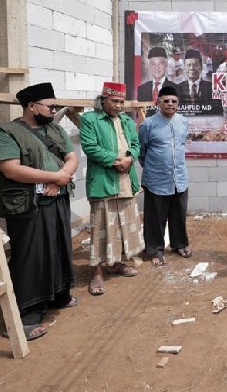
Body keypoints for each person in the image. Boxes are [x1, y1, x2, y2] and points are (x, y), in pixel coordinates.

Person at [0, 82, 79, 341]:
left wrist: (59, 178)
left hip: (57, 199)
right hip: (29, 206)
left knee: (59, 250)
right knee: (31, 257)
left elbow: (71, 157)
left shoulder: (54, 128)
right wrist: (55, 176)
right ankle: (26, 316)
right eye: (50, 106)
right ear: (31, 106)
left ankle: (58, 296)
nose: (54, 110)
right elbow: (10, 169)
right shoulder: (5, 133)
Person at [79, 82, 144, 296]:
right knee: (102, 226)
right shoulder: (90, 119)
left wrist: (130, 158)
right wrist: (117, 161)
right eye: (114, 101)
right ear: (103, 99)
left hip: (126, 179)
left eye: (121, 101)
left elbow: (135, 144)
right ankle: (97, 272)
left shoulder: (126, 120)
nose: (117, 105)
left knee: (122, 225)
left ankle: (116, 264)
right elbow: (90, 147)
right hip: (103, 180)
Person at [138, 86, 193, 266]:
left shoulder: (183, 122)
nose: (170, 104)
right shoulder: (148, 124)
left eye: (174, 101)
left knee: (178, 214)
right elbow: (141, 152)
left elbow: (181, 145)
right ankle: (155, 250)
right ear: (158, 103)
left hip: (179, 179)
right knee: (155, 218)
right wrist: (153, 169)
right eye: (166, 101)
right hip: (156, 180)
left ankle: (179, 244)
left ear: (178, 104)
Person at [178, 49, 221, 116]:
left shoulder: (212, 88)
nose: (192, 68)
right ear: (184, 67)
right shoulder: (177, 89)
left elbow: (218, 112)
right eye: (188, 65)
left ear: (201, 67)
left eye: (195, 65)